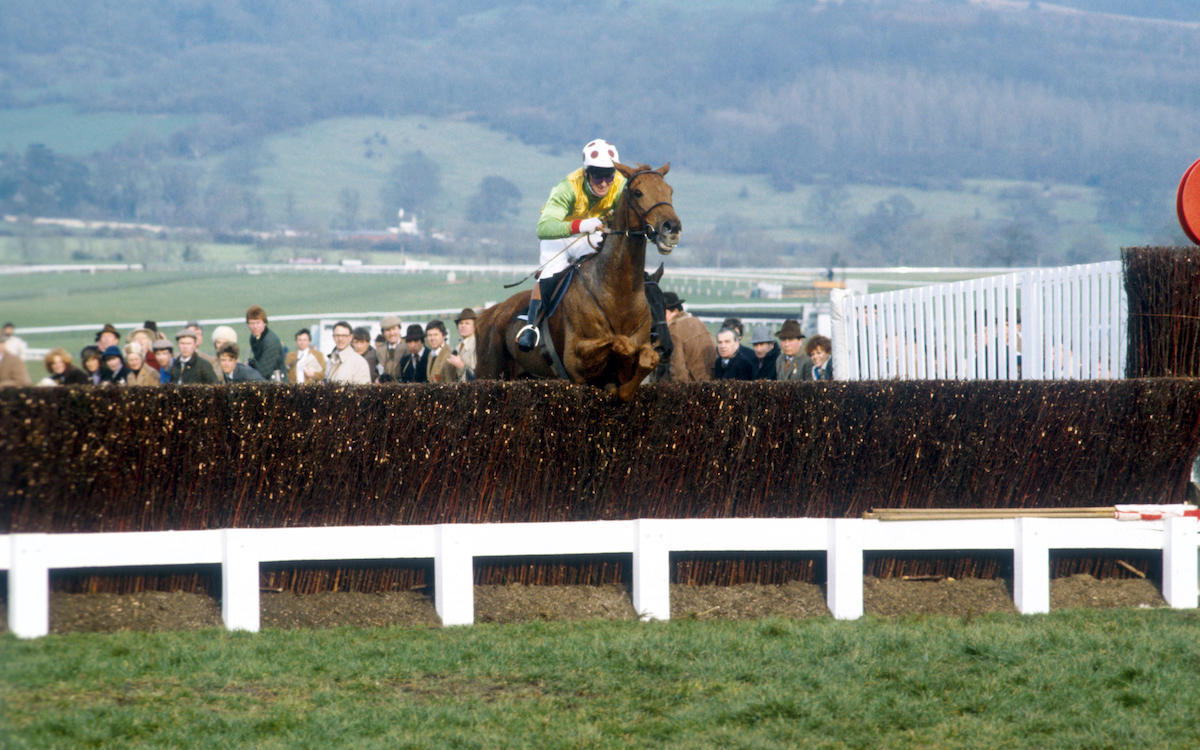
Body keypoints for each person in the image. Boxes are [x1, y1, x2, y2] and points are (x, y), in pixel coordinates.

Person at [516, 139, 631, 352]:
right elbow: (543, 228)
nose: (604, 182)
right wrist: (582, 225)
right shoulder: (567, 187)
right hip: (559, 236)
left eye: (608, 175)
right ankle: (531, 327)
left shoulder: (621, 186)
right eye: (597, 174)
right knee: (550, 274)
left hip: (592, 234)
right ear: (587, 172)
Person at [662, 292, 714, 382]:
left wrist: (680, 391)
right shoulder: (698, 322)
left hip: (691, 386)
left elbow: (678, 369)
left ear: (673, 311)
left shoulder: (673, 330)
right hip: (710, 380)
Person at [325, 320, 371, 384]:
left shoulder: (359, 362)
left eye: (344, 336)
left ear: (350, 337)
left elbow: (363, 390)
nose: (340, 339)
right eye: (337, 335)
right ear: (333, 337)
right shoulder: (331, 360)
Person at [245, 306, 285, 380]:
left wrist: (250, 365)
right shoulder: (253, 337)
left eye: (258, 323)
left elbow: (264, 371)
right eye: (252, 323)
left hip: (277, 382)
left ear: (265, 323)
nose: (255, 326)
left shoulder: (271, 341)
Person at [446, 308, 477, 382]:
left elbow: (478, 373)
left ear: (475, 326)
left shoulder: (477, 345)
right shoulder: (459, 346)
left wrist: (460, 365)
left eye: (467, 323)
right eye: (461, 323)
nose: (463, 326)